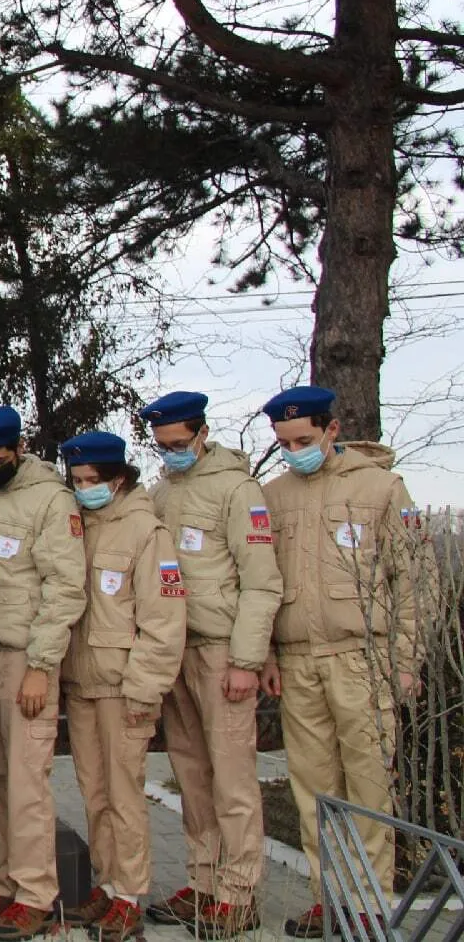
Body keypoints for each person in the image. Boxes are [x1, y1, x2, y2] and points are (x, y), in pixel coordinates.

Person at [257, 387, 418, 939]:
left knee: (370, 784)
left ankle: (371, 904)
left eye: (303, 440)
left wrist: (406, 660)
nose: (293, 451)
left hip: (362, 658)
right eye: (283, 443)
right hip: (299, 662)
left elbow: (415, 582)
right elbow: (265, 584)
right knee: (313, 788)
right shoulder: (273, 496)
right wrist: (270, 655)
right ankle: (331, 900)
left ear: (332, 429)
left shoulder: (381, 489)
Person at [137, 392, 283, 938]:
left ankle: (240, 893)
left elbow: (262, 580)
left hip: (222, 652)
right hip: (176, 649)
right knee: (192, 775)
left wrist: (247, 659)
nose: (172, 453)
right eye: (163, 446)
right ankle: (203, 883)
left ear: (201, 434)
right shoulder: (159, 494)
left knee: (233, 778)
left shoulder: (238, 490)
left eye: (179, 444)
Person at [0, 407, 88, 941]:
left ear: (19, 447)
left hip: (24, 659)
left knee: (28, 781)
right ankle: (6, 881)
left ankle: (35, 895)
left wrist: (40, 666)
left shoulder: (52, 500)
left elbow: (65, 588)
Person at [57, 431, 187, 942]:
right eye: (78, 480)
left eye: (94, 480)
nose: (85, 488)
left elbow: (163, 619)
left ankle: (131, 893)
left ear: (119, 478)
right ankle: (107, 884)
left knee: (125, 794)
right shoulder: (75, 526)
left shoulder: (146, 531)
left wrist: (145, 689)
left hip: (124, 687)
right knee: (94, 793)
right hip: (81, 682)